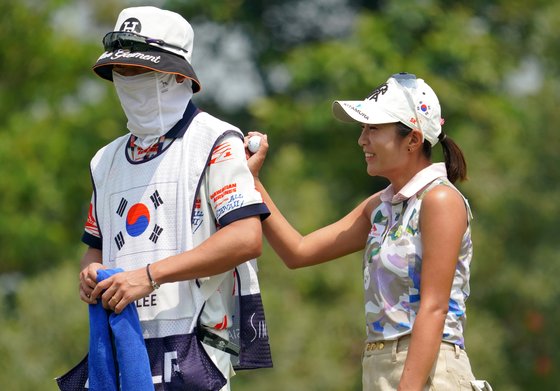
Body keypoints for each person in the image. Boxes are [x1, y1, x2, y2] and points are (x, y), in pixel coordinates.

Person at [61, 6, 272, 391]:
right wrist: (90, 274)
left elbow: (246, 238)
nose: (127, 80)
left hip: (195, 348)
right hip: (122, 349)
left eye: (139, 71)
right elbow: (96, 247)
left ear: (176, 76)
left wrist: (149, 277)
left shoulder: (216, 141)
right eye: (120, 72)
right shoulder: (104, 160)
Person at [246, 72, 481, 390]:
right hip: (379, 368)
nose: (362, 140)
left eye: (373, 129)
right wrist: (253, 183)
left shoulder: (439, 200)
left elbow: (434, 307)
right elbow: (297, 251)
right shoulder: (379, 207)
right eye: (363, 129)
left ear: (412, 139)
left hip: (430, 372)